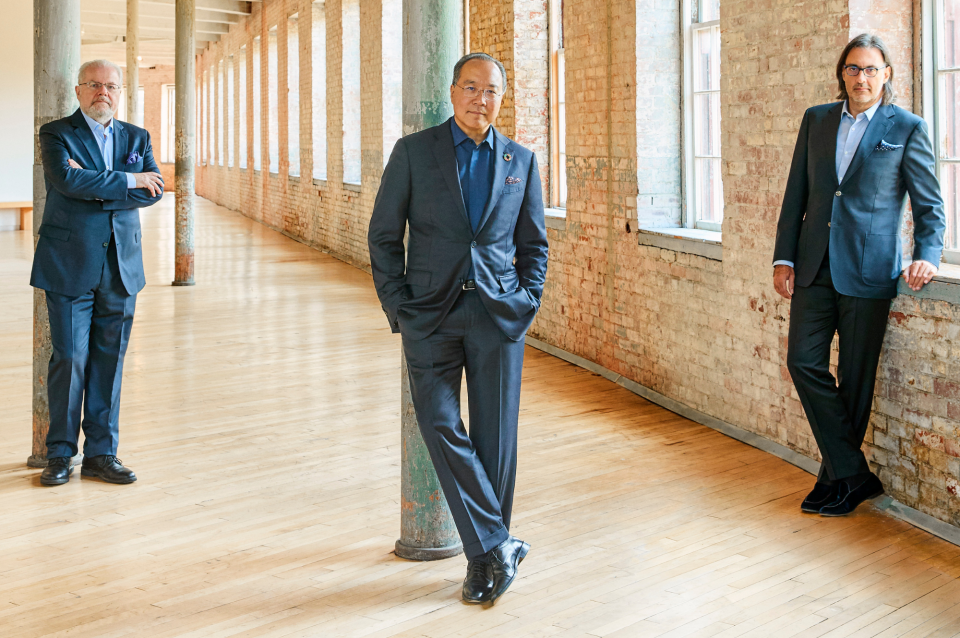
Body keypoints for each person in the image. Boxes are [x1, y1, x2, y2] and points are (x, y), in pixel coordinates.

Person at [368, 52, 548, 604]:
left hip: (498, 318)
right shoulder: (414, 153)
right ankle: (499, 542)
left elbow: (533, 246)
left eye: (492, 91)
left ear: (502, 98)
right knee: (439, 421)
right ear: (453, 92)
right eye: (471, 88)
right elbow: (383, 236)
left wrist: (526, 301)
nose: (481, 99)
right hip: (431, 314)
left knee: (496, 441)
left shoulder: (521, 159)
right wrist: (400, 306)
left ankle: (482, 560)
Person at [773, 34, 945, 516]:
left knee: (855, 378)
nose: (861, 78)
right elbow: (797, 194)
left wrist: (927, 253)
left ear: (887, 74)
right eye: (853, 69)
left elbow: (929, 204)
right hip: (813, 265)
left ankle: (836, 480)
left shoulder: (907, 127)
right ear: (841, 73)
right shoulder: (816, 120)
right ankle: (854, 473)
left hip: (870, 270)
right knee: (802, 362)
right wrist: (782, 257)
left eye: (871, 69)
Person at [32, 59, 165, 486]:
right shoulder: (56, 133)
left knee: (110, 361)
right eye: (94, 85)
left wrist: (95, 183)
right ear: (78, 90)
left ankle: (102, 455)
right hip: (69, 264)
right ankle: (60, 455)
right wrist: (129, 181)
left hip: (121, 269)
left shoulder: (136, 137)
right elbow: (66, 182)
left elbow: (155, 190)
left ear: (120, 92)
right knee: (70, 359)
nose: (102, 92)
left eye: (110, 86)